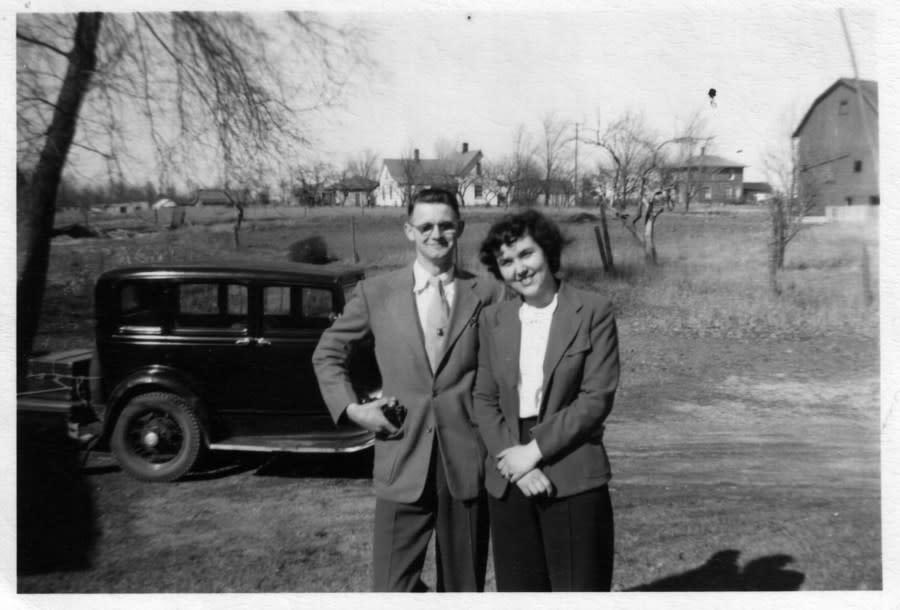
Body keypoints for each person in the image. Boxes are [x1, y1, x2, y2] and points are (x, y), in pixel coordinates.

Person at [312, 188, 503, 592]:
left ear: (461, 229)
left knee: (464, 588)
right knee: (390, 587)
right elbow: (327, 353)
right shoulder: (376, 293)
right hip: (402, 457)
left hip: (466, 464)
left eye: (446, 225)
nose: (437, 234)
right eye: (426, 225)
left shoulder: (488, 294)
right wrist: (353, 409)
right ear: (409, 231)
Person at [473, 209, 620, 591]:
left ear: (547, 251)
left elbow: (595, 398)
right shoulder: (493, 320)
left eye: (526, 254)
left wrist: (533, 452)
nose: (519, 268)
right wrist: (517, 463)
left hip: (572, 466)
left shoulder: (593, 311)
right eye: (506, 262)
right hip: (509, 474)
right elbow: (484, 400)